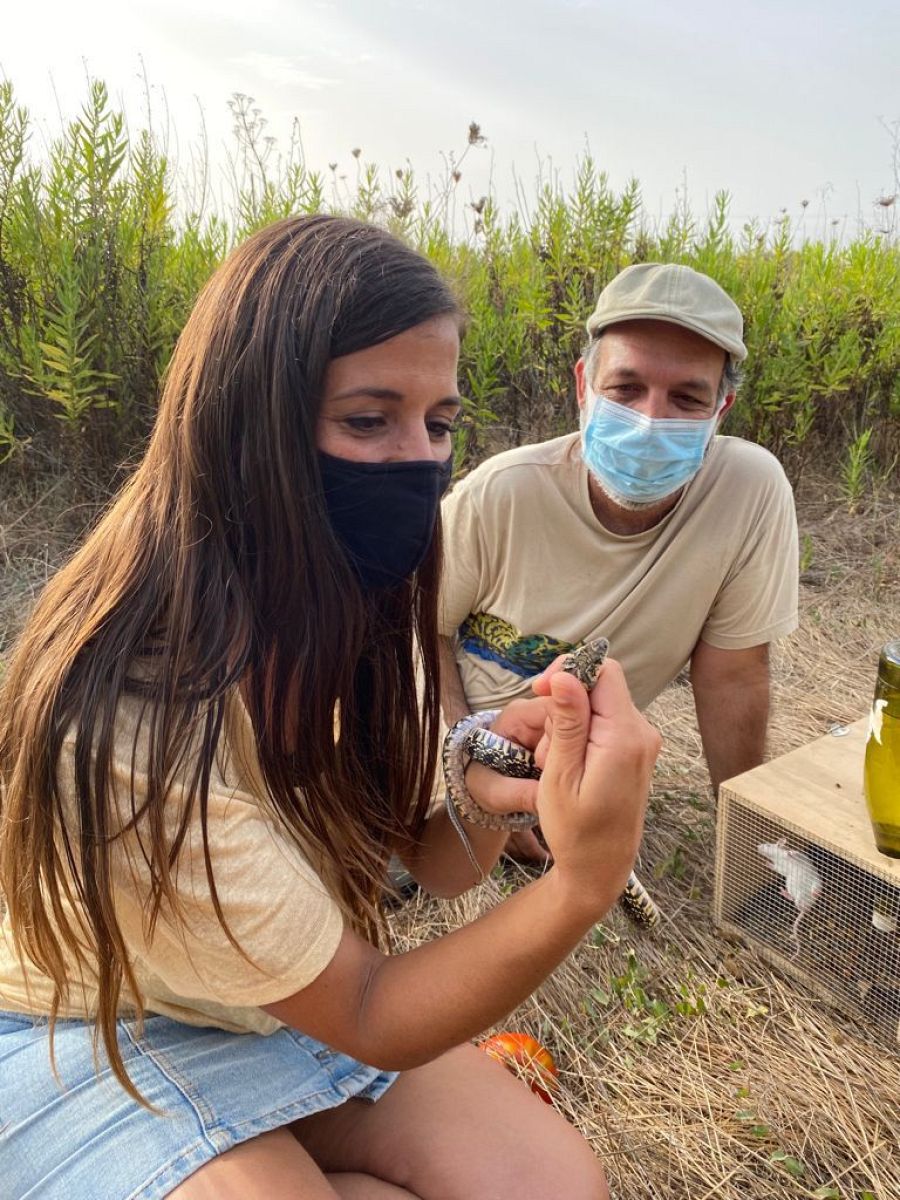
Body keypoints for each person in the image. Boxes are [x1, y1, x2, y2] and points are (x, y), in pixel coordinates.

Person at [0, 215, 660, 1200]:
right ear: (246, 424)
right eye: (366, 420)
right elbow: (368, 1008)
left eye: (439, 423)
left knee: (555, 1188)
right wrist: (585, 882)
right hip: (88, 1026)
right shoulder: (123, 716)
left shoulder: (352, 599)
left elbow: (430, 860)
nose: (418, 459)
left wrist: (491, 784)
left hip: (265, 1003)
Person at [438, 262, 798, 860]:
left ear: (722, 409)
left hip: (574, 762)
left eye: (687, 398)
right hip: (460, 737)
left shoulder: (748, 492)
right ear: (584, 385)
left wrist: (750, 842)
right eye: (626, 389)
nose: (650, 421)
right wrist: (464, 765)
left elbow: (733, 674)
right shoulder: (501, 492)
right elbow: (414, 628)